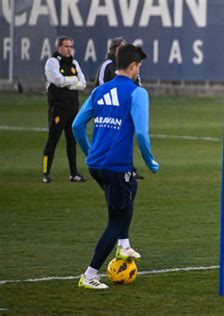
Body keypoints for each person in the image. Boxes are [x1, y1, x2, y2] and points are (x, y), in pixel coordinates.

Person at [72, 44, 159, 289]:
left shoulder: (99, 91)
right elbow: (141, 133)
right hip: (116, 166)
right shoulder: (137, 92)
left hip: (96, 165)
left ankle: (124, 245)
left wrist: (91, 153)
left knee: (130, 191)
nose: (138, 70)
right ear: (133, 66)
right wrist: (150, 161)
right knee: (116, 220)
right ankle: (89, 275)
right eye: (139, 66)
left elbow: (77, 127)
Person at [94, 37, 144, 179]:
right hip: (110, 109)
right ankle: (104, 164)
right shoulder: (107, 65)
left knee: (126, 137)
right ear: (113, 49)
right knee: (109, 138)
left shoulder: (129, 66)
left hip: (125, 108)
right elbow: (100, 88)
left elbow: (137, 85)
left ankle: (129, 168)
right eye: (120, 47)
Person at [42, 35, 87, 183]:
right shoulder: (52, 62)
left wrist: (69, 81)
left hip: (73, 108)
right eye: (66, 46)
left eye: (70, 46)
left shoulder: (74, 63)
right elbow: (58, 81)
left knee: (72, 141)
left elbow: (83, 84)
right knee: (52, 140)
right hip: (58, 109)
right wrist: (73, 80)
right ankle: (45, 173)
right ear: (59, 47)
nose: (69, 49)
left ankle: (73, 174)